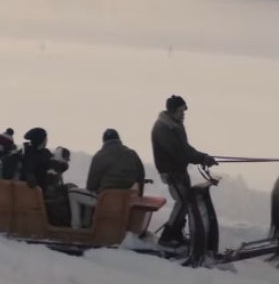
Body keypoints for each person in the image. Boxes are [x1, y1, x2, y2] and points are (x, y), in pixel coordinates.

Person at [151, 95, 216, 247]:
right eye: (182, 110)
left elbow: (185, 148)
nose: (184, 113)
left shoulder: (175, 125)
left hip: (179, 171)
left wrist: (203, 156)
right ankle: (167, 237)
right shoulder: (163, 128)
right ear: (173, 110)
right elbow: (178, 152)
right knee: (183, 201)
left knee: (186, 202)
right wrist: (202, 158)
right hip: (171, 172)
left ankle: (176, 234)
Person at [87, 129, 146, 194]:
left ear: (104, 142)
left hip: (105, 200)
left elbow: (90, 186)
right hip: (128, 200)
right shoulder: (132, 154)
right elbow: (141, 178)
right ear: (119, 139)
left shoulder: (98, 157)